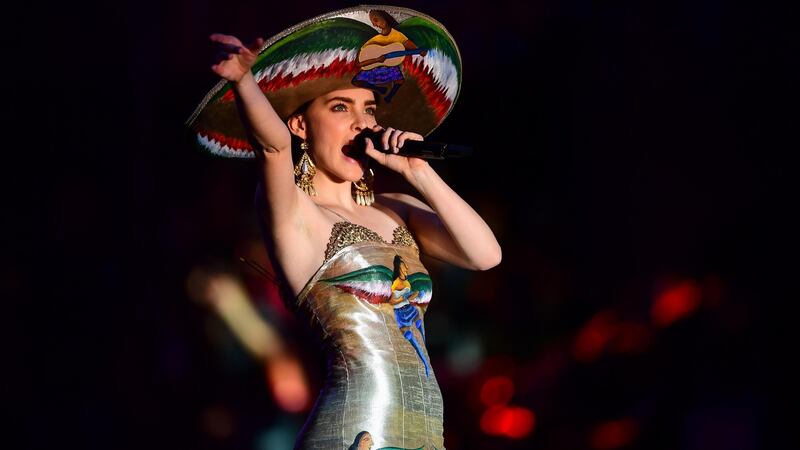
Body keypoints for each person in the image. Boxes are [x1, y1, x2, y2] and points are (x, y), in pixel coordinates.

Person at [189, 6, 500, 449]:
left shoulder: (398, 209)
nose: (361, 122)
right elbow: (273, 148)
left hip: (426, 436)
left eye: (368, 109)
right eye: (340, 107)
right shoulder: (297, 216)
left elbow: (485, 255)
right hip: (356, 433)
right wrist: (245, 82)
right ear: (300, 125)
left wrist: (419, 171)